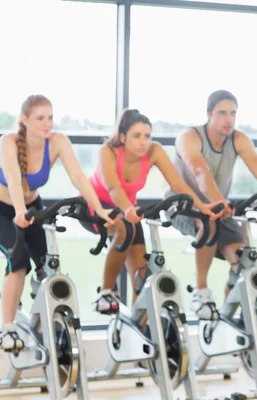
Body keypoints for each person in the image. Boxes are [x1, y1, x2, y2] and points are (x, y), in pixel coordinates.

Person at [168, 89, 257, 321]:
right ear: (209, 114)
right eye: (222, 113)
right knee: (208, 225)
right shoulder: (189, 137)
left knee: (242, 259)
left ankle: (228, 314)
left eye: (233, 113)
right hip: (183, 206)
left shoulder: (239, 139)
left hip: (218, 208)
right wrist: (218, 200)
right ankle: (200, 291)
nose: (229, 119)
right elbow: (199, 170)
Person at [0, 95, 115, 351]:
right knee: (18, 261)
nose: (47, 124)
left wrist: (99, 209)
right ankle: (6, 329)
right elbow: (13, 176)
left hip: (32, 207)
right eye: (40, 118)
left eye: (50, 117)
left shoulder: (57, 142)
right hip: (5, 209)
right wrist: (19, 210)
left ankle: (39, 314)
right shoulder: (7, 142)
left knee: (47, 266)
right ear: (24, 120)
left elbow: (77, 176)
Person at [82, 109, 222, 314]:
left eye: (147, 136)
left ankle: (140, 324)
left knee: (141, 274)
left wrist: (200, 206)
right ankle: (105, 292)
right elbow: (113, 189)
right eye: (136, 136)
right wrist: (128, 209)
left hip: (127, 212)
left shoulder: (153, 151)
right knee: (123, 229)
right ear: (123, 137)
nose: (143, 142)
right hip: (95, 207)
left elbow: (176, 182)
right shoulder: (109, 151)